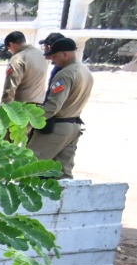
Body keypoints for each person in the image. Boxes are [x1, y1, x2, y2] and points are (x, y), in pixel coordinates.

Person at [29, 36, 92, 178]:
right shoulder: (85, 72)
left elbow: (52, 106)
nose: (53, 60)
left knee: (29, 166)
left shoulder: (65, 74)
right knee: (62, 174)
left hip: (57, 127)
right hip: (74, 125)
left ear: (65, 54)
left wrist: (31, 120)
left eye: (55, 56)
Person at [1, 31, 47, 104]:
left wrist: (5, 107)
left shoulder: (17, 59)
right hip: (39, 105)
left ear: (11, 45)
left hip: (23, 107)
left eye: (8, 49)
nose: (10, 52)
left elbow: (10, 87)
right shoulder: (40, 54)